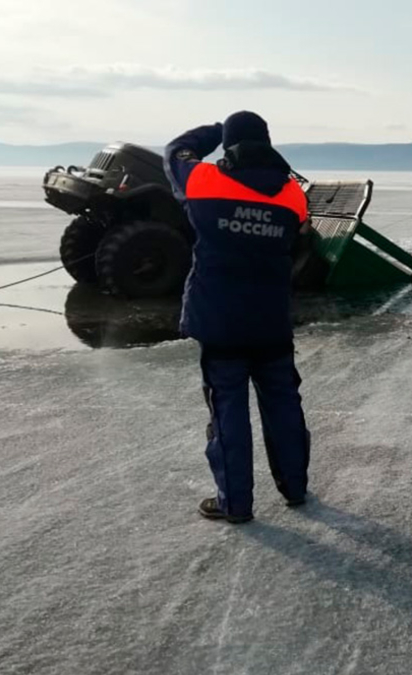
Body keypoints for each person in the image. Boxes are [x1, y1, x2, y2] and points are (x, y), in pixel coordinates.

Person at [164, 111, 312, 523]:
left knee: (228, 409)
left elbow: (175, 151)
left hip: (219, 319)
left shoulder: (203, 180)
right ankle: (295, 488)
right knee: (283, 403)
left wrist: (214, 132)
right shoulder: (292, 195)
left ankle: (236, 503)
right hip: (271, 320)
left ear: (229, 145)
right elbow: (300, 237)